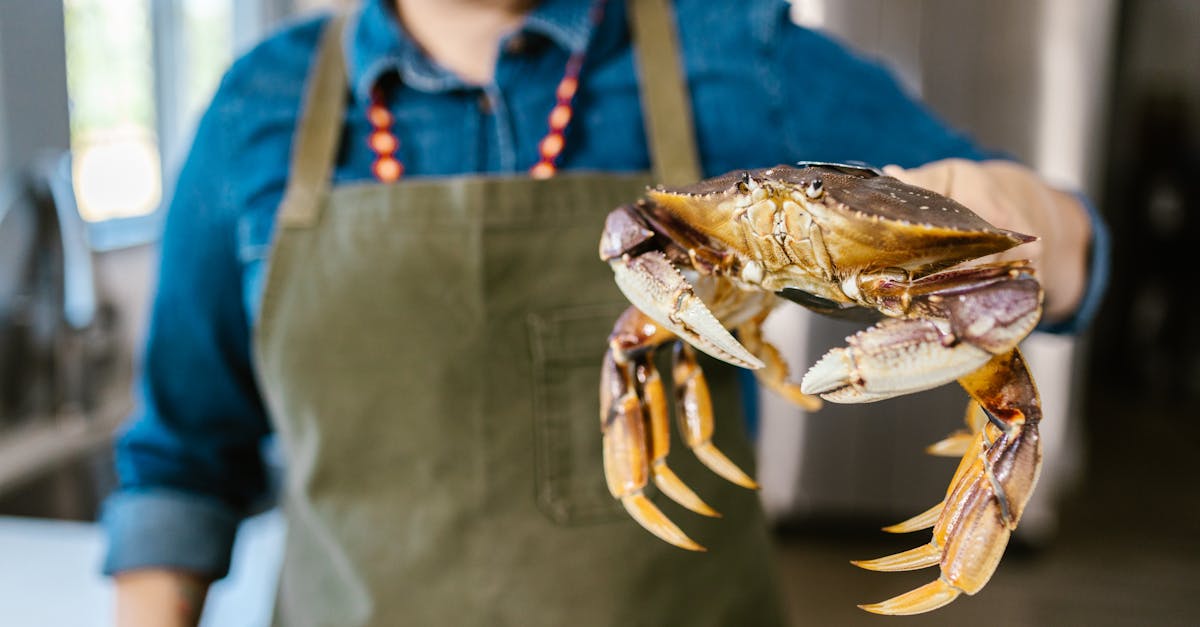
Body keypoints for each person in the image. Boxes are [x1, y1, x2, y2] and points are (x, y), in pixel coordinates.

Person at [103, 0, 1106, 625]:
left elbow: (1044, 244)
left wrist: (1043, 230)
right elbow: (185, 458)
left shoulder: (738, 55)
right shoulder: (255, 108)